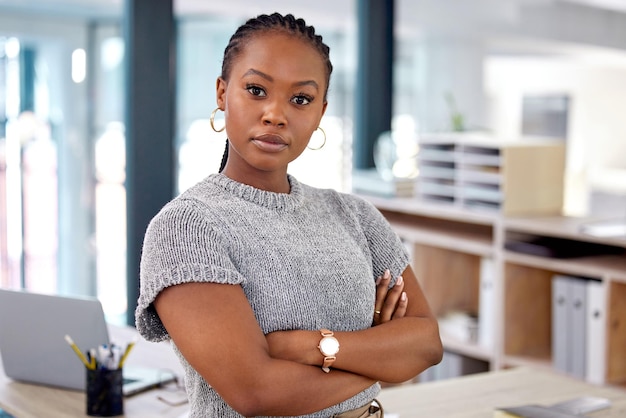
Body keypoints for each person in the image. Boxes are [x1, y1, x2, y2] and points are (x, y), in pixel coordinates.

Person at [135, 12, 442, 418]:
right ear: (222, 93)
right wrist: (380, 360)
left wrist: (309, 346)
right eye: (256, 90)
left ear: (320, 113)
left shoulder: (356, 216)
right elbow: (257, 393)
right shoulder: (187, 228)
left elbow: (426, 344)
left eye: (301, 99)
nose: (275, 114)